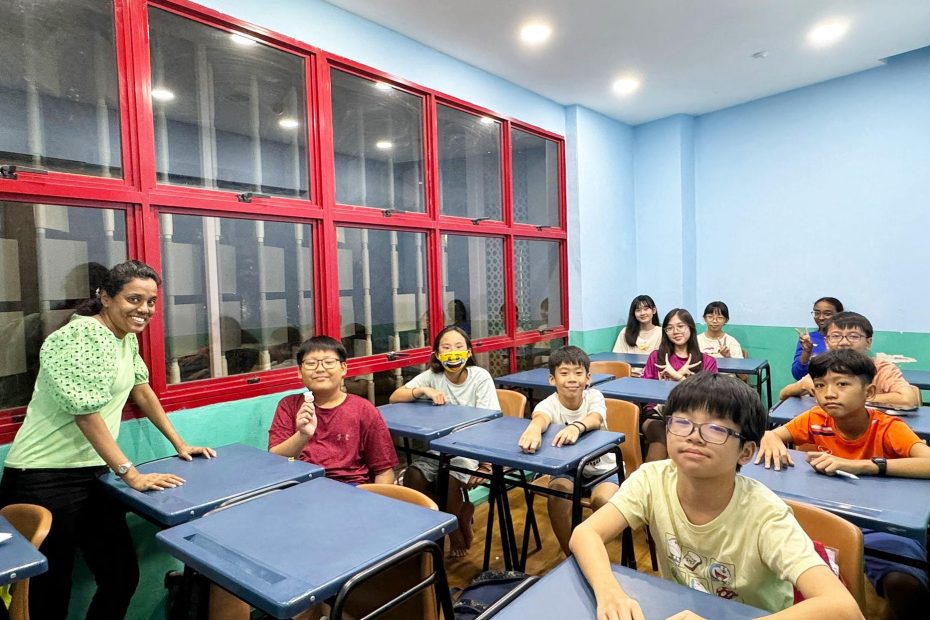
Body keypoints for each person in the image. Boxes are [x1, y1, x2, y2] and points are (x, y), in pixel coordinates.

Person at [0, 260, 216, 620]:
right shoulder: (80, 336)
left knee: (120, 576)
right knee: (48, 594)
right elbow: (86, 414)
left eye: (151, 301)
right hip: (43, 477)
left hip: (93, 474)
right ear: (105, 297)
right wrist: (131, 474)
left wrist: (179, 443)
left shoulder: (125, 338)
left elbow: (141, 388)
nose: (144, 309)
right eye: (134, 299)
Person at [569, 373, 860, 619]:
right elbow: (585, 533)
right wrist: (609, 591)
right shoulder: (652, 479)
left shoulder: (765, 514)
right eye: (682, 422)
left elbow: (845, 609)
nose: (693, 436)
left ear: (746, 452)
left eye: (716, 428)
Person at [757, 349, 930, 620]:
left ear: (868, 392)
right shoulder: (816, 419)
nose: (829, 394)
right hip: (828, 515)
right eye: (820, 386)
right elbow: (775, 434)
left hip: (880, 525)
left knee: (903, 581)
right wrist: (769, 437)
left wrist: (863, 465)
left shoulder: (887, 427)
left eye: (842, 384)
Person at [389, 326, 499, 556]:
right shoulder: (433, 376)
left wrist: (486, 464)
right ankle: (454, 519)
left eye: (459, 347)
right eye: (446, 348)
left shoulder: (480, 377)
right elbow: (394, 397)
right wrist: (423, 390)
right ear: (437, 355)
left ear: (469, 352)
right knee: (413, 476)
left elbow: (491, 423)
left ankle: (454, 530)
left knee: (449, 479)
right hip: (439, 450)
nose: (453, 353)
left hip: (471, 450)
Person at [517, 346, 619, 556]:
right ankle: (572, 556)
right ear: (552, 379)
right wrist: (533, 428)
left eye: (578, 373)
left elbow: (595, 418)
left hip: (603, 469)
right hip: (568, 470)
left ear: (588, 378)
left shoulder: (594, 396)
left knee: (603, 501)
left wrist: (576, 427)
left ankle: (593, 555)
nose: (572, 379)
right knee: (557, 497)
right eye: (564, 373)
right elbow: (540, 417)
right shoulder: (549, 404)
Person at [268, 336, 397, 486]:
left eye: (329, 362)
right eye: (311, 363)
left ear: (343, 368)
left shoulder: (364, 409)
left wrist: (372, 499)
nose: (320, 369)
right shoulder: (288, 405)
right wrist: (302, 435)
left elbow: (384, 471)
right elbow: (276, 459)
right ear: (300, 372)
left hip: (349, 487)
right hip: (301, 484)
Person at [779, 312, 920, 410]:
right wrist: (804, 385)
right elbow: (783, 394)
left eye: (853, 336)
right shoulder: (824, 367)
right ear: (827, 342)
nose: (844, 342)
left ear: (868, 342)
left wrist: (853, 399)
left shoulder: (882, 369)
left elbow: (907, 399)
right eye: (836, 336)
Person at [641, 308, 719, 461]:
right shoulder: (656, 357)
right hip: (656, 413)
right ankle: (649, 477)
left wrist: (678, 377)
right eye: (669, 328)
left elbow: (710, 397)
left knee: (679, 434)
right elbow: (644, 388)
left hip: (694, 416)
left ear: (690, 328)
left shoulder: (707, 361)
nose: (675, 331)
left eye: (680, 326)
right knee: (662, 435)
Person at [791, 297, 843, 380]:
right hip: (813, 385)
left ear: (839, 315)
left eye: (827, 314)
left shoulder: (846, 339)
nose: (821, 318)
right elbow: (798, 375)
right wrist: (807, 352)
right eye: (817, 313)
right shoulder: (808, 339)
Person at [612, 295, 661, 363]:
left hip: (653, 370)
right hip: (629, 369)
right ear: (634, 313)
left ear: (654, 310)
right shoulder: (625, 332)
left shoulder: (662, 333)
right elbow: (617, 358)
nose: (642, 313)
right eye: (638, 310)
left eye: (646, 309)